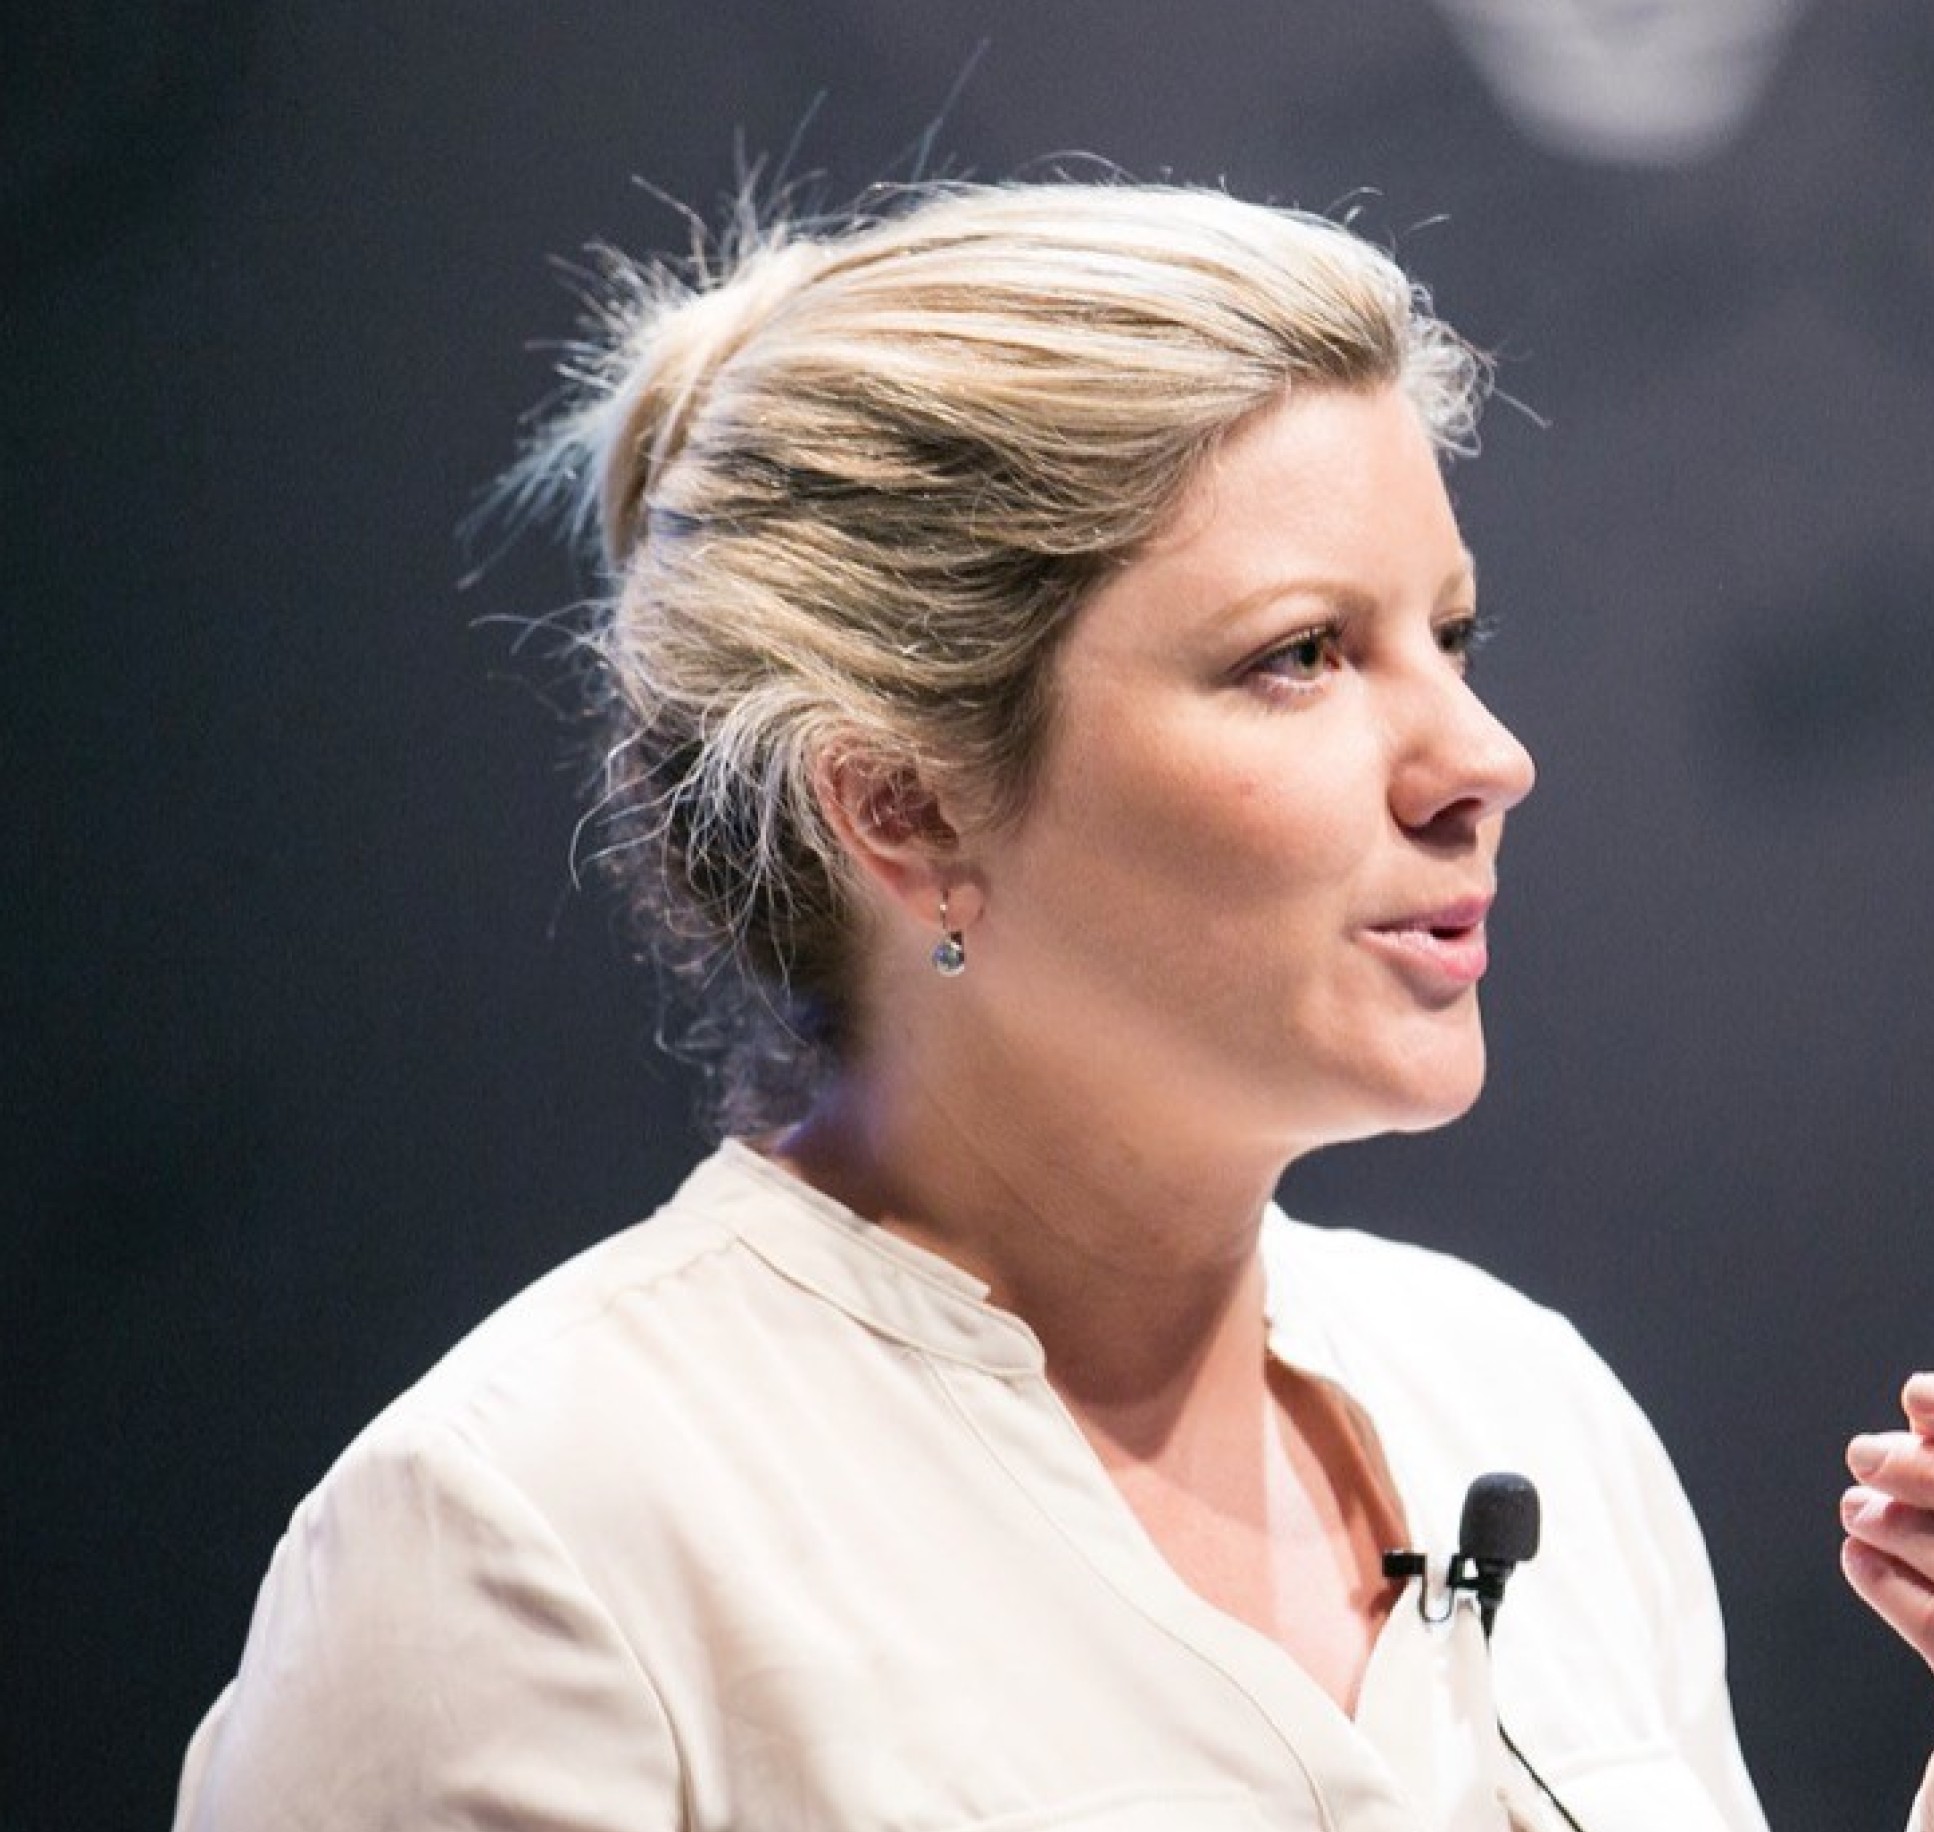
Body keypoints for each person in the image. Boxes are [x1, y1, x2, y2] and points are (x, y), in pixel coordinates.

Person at [172, 180, 1934, 1831]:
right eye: (1300, 654)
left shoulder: (1522, 1402)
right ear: (903, 808)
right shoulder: (525, 1540)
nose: (1484, 761)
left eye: (1450, 639)